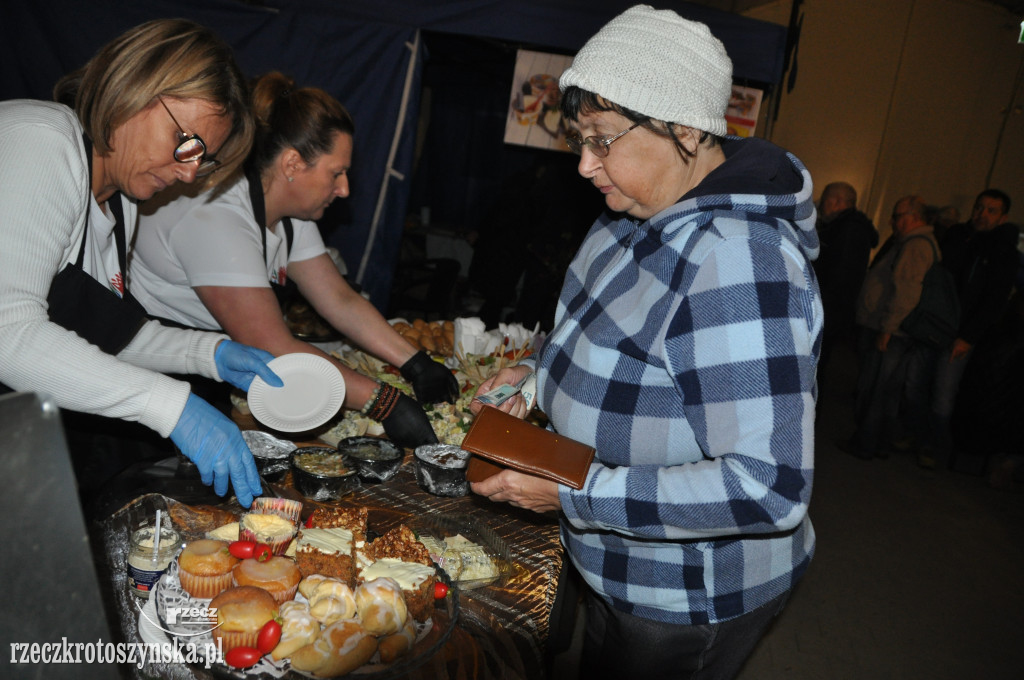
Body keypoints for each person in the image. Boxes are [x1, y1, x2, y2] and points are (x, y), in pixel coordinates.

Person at [467, 7, 822, 679]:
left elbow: (769, 489)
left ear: (683, 128)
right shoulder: (626, 214)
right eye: (579, 139)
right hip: (614, 558)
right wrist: (532, 377)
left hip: (683, 594)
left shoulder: (738, 263)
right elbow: (586, 333)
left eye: (601, 139)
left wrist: (575, 494)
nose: (583, 165)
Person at [0, 19, 281, 508]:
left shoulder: (121, 203)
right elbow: (10, 334)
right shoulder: (41, 139)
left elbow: (103, 334)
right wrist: (173, 407)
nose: (191, 171)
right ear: (133, 89)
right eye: (186, 143)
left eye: (204, 159)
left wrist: (210, 354)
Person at [130, 72, 456, 448]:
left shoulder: (286, 213)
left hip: (206, 371)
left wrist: (415, 362)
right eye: (337, 173)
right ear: (292, 164)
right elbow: (273, 346)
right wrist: (384, 402)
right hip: (146, 383)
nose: (345, 189)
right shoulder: (216, 217)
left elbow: (339, 299)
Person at [925, 189, 1018, 467]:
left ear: (1002, 217)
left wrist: (968, 336)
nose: (982, 215)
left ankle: (938, 449)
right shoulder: (961, 238)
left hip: (961, 333)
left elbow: (994, 299)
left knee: (944, 393)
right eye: (980, 208)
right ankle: (921, 436)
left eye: (991, 210)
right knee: (919, 382)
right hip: (937, 324)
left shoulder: (1002, 252)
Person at [844, 196, 938, 460]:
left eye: (897, 216)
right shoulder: (910, 243)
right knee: (884, 390)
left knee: (876, 390)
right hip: (890, 329)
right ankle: (876, 441)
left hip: (891, 332)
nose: (892, 222)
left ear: (912, 217)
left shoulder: (915, 246)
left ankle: (867, 443)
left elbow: (906, 292)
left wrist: (888, 328)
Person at [813, 181, 878, 383]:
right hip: (831, 311)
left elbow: (838, 277)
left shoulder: (847, 230)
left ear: (836, 201)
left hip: (827, 312)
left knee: (815, 370)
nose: (821, 205)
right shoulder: (850, 228)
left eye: (824, 200)